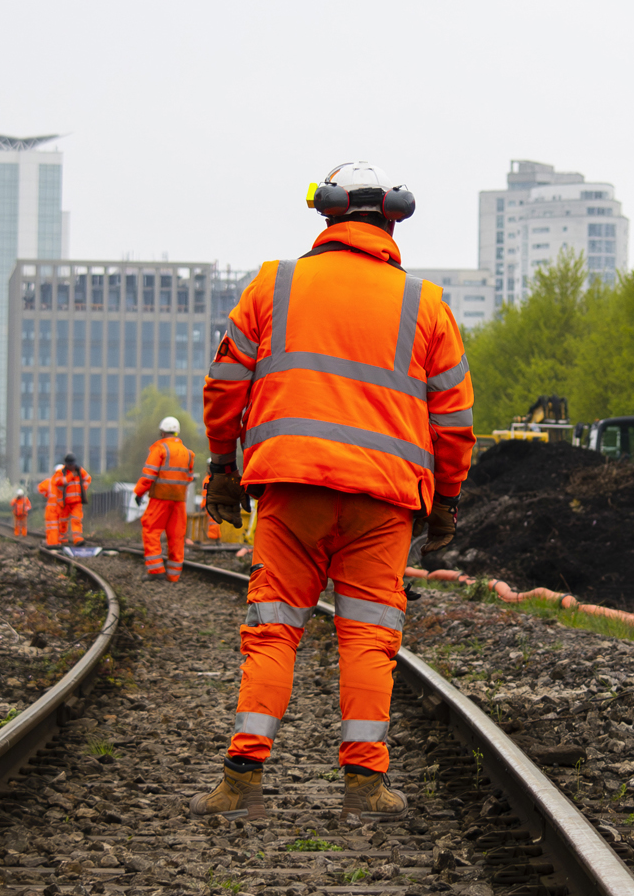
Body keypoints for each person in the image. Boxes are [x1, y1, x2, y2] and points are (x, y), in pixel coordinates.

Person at [188, 162, 475, 820]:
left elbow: (225, 383)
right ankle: (364, 787)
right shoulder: (425, 304)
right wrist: (448, 502)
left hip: (292, 492)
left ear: (327, 215)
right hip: (384, 502)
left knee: (274, 625)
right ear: (393, 221)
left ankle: (242, 779)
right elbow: (454, 420)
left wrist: (225, 467)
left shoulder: (274, 283)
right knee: (369, 633)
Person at [134, 415, 195, 581]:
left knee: (151, 530)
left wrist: (139, 492)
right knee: (176, 536)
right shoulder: (188, 453)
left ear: (162, 433)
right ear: (177, 433)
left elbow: (149, 475)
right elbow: (189, 478)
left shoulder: (160, 449)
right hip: (179, 500)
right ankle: (174, 576)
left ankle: (156, 571)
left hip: (160, 498)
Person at [44, 454, 91, 546]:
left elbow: (88, 479)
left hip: (77, 502)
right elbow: (59, 482)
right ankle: (62, 539)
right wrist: (71, 476)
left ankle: (77, 539)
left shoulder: (80, 470)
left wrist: (82, 489)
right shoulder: (61, 472)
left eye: (72, 464)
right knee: (63, 521)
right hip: (65, 502)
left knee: (76, 519)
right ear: (66, 464)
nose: (71, 466)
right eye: (69, 465)